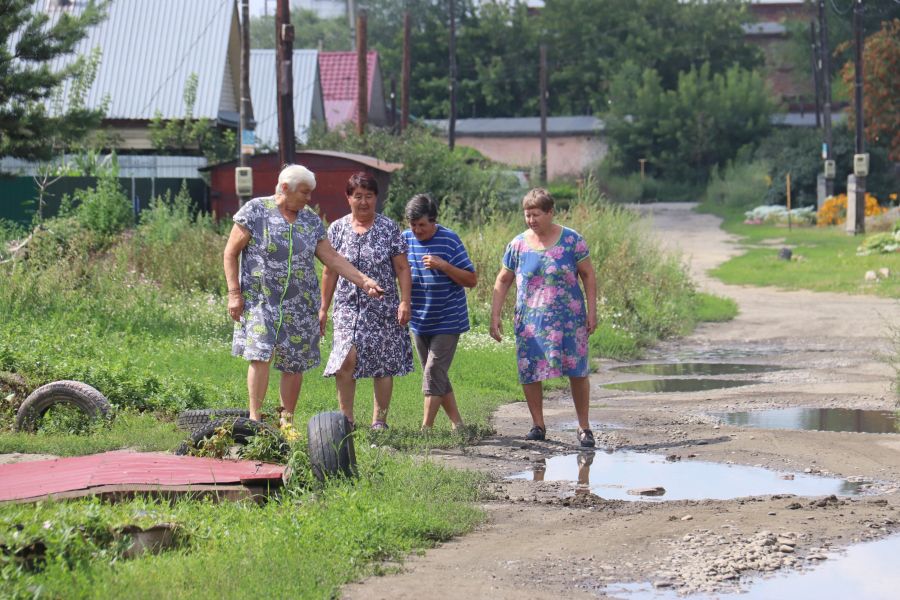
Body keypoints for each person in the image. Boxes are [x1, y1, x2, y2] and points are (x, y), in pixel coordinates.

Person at [223, 164, 384, 439]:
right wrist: (234, 294)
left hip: (299, 306)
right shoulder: (255, 211)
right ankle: (255, 420)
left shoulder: (310, 220)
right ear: (284, 188)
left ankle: (286, 421)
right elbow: (230, 253)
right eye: (305, 193)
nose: (309, 198)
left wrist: (363, 280)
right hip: (261, 302)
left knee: (294, 363)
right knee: (260, 356)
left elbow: (331, 258)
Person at [489, 187, 598, 447]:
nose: (531, 220)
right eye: (527, 215)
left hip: (569, 320)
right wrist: (495, 315)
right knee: (530, 371)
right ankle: (538, 425)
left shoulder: (572, 240)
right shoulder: (517, 245)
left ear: (550, 212)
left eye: (536, 214)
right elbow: (503, 279)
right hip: (530, 321)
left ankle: (584, 427)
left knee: (577, 371)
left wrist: (592, 311)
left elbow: (588, 275)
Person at [319, 172, 414, 430]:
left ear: (376, 198)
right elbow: (329, 271)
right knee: (345, 359)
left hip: (383, 306)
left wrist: (405, 301)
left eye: (369, 196)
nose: (363, 202)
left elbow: (403, 269)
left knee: (382, 364)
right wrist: (323, 308)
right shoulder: (337, 229)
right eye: (358, 196)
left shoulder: (389, 229)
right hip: (348, 306)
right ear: (348, 198)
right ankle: (346, 420)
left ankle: (379, 421)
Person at [403, 193, 477, 431]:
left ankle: (426, 429)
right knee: (436, 375)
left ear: (433, 220)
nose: (417, 230)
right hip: (420, 320)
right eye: (413, 225)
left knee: (434, 371)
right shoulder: (405, 240)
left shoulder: (449, 240)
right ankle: (458, 425)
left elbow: (471, 279)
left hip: (448, 318)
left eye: (422, 225)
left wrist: (443, 265)